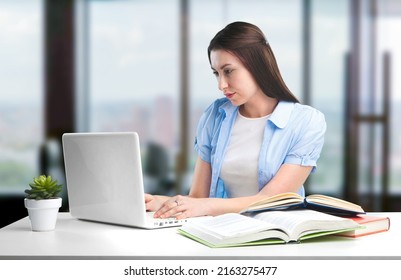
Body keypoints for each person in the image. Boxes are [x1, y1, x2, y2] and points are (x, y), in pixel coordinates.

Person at [145, 21, 326, 219]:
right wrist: (161, 202)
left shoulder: (307, 122)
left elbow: (272, 199)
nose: (221, 85)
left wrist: (206, 206)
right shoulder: (215, 115)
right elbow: (198, 198)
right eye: (216, 73)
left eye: (228, 71)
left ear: (257, 65)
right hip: (220, 233)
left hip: (274, 236)